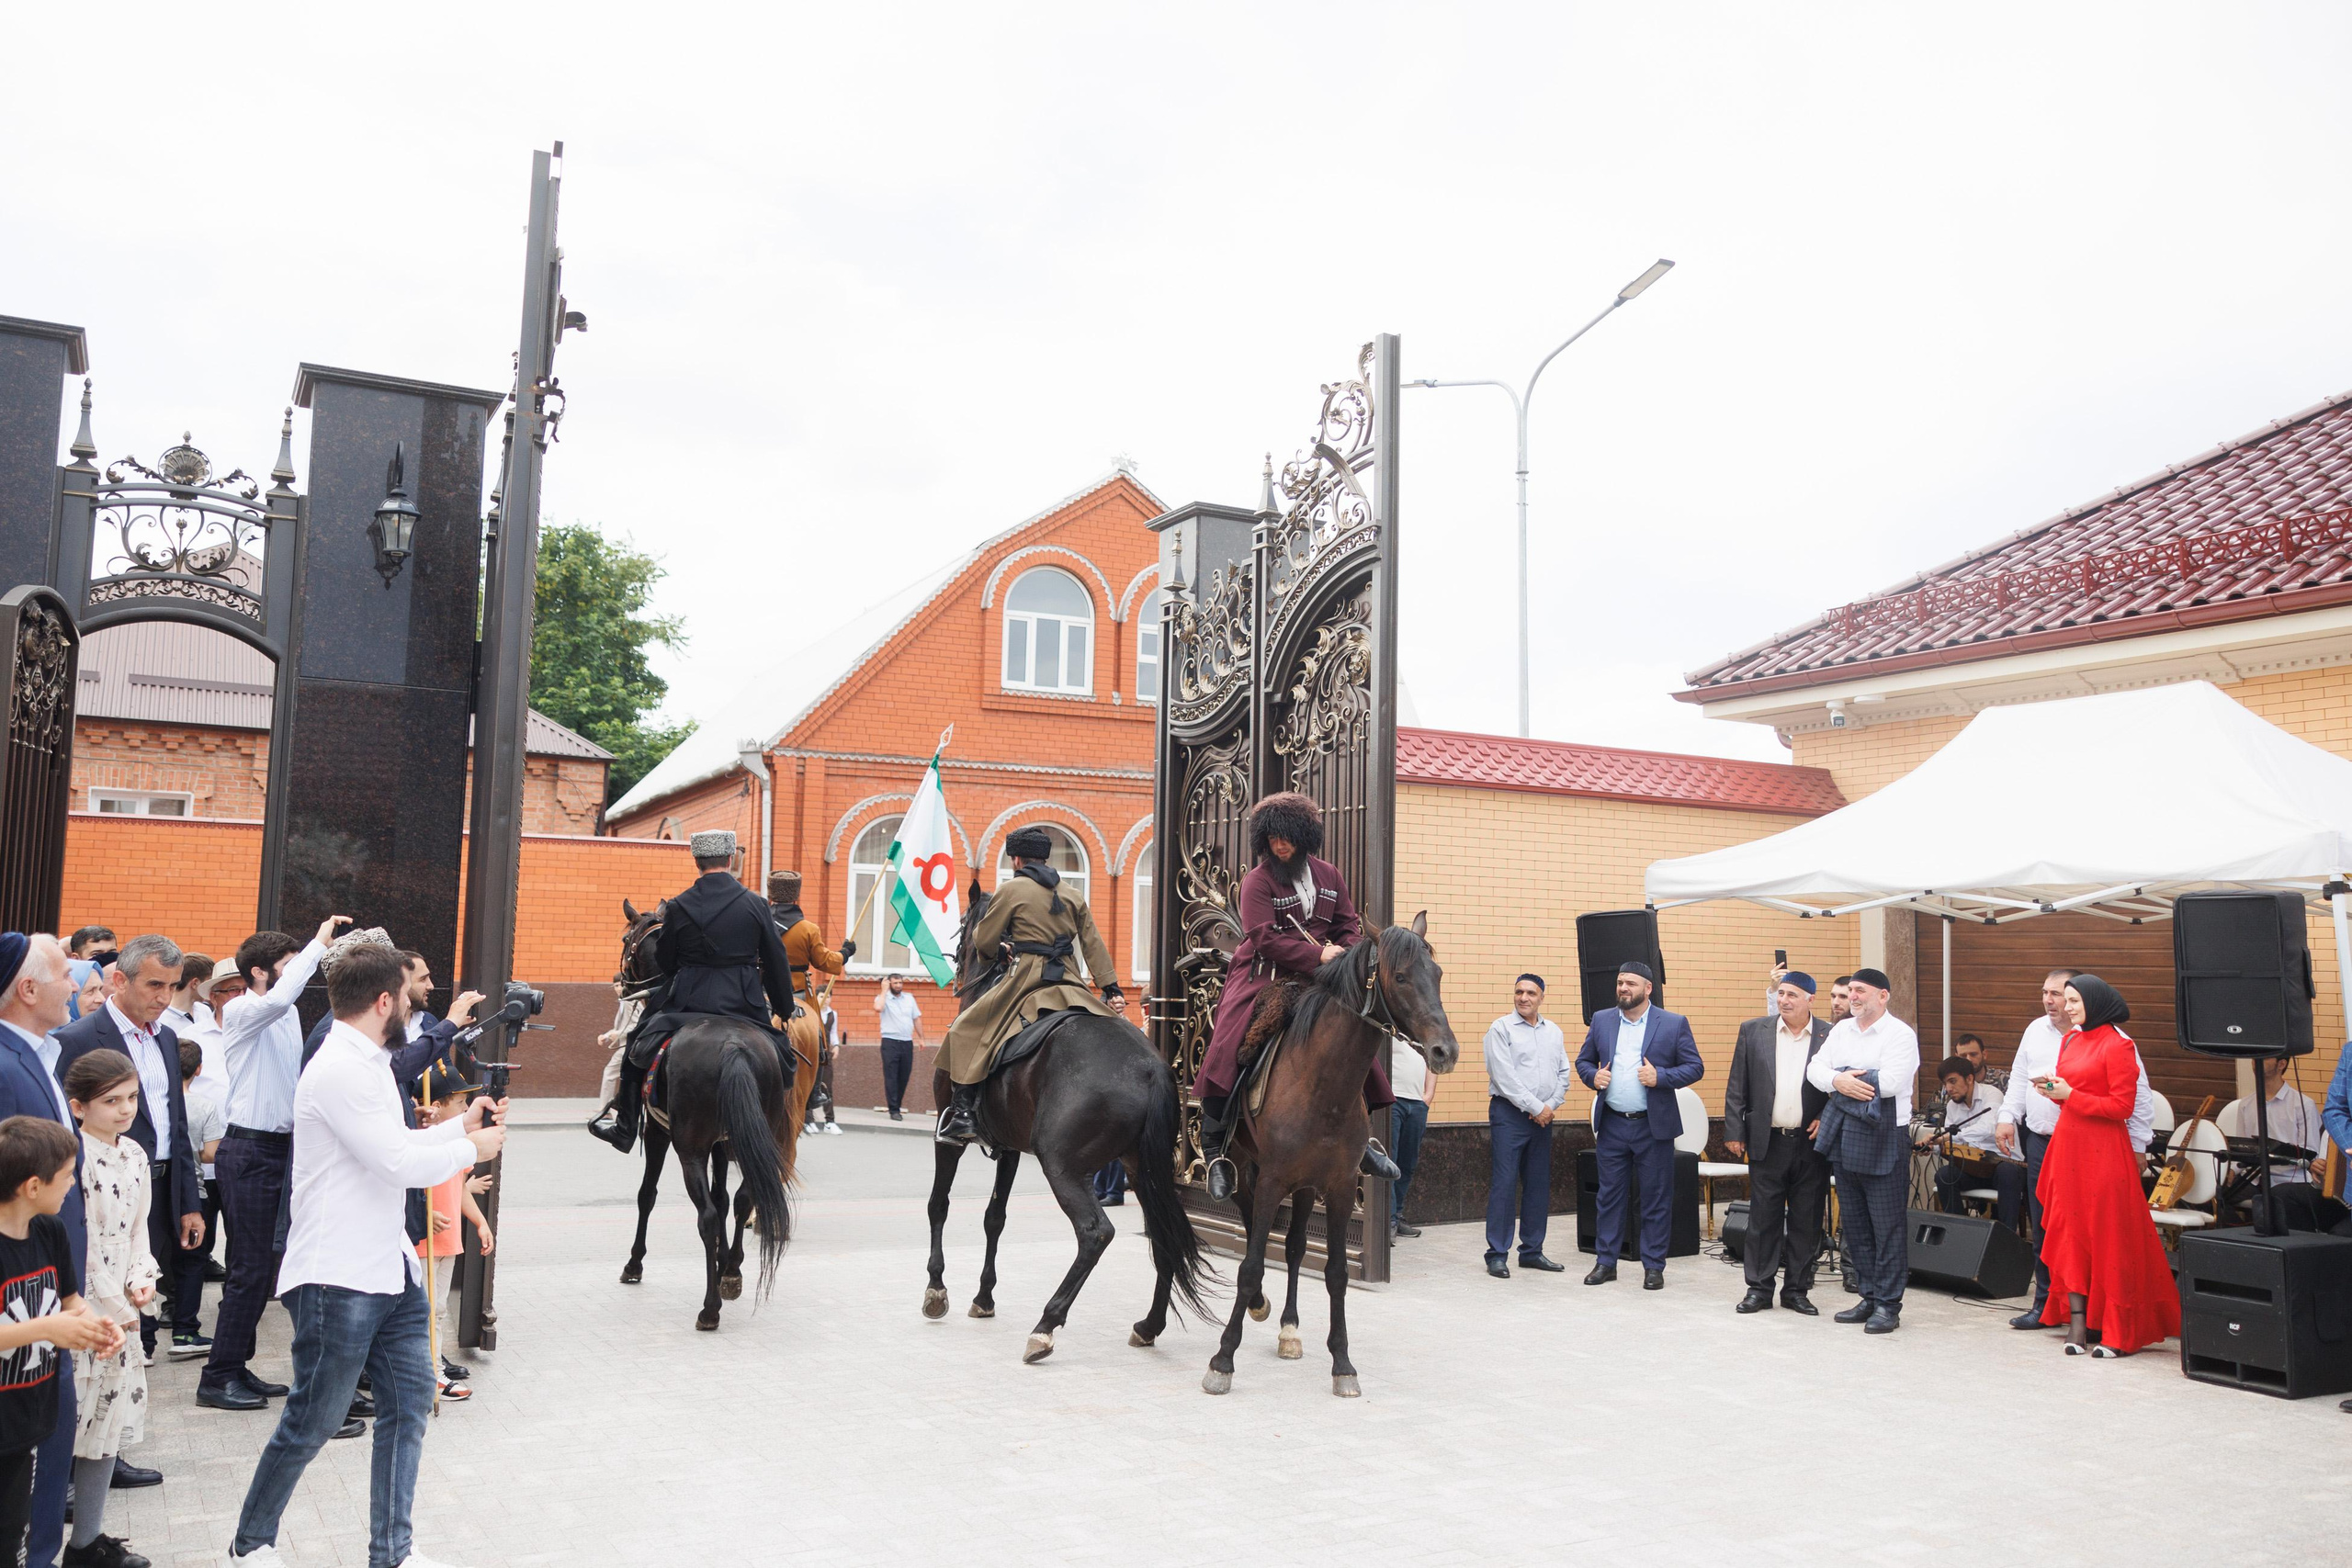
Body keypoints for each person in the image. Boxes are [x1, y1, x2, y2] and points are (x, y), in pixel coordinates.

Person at [222, 943, 505, 1568]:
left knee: (409, 1406)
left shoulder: (369, 1060)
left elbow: (393, 1141)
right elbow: (396, 1162)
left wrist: (459, 1126)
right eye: (406, 997)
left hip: (387, 1268)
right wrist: (472, 1150)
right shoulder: (340, 1068)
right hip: (338, 1275)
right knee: (314, 1419)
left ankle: (393, 1553)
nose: (412, 1008)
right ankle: (250, 1545)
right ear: (384, 1001)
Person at [1194, 794, 1397, 1201]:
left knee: (1352, 1036)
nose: (1279, 844)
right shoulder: (1257, 880)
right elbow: (1263, 938)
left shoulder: (1329, 875)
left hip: (1321, 979)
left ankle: (1363, 1141)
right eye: (1271, 837)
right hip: (1262, 975)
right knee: (1230, 1044)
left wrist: (1346, 954)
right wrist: (1316, 954)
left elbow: (1347, 926)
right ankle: (1216, 1152)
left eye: (1286, 836)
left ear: (1304, 837)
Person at [201, 915, 345, 1413]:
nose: (297, 973)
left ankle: (235, 1365)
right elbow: (280, 999)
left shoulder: (285, 1012)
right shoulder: (244, 1008)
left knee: (262, 1272)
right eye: (288, 965)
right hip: (249, 1151)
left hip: (281, 1151)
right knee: (250, 1270)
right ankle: (217, 1377)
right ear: (259, 973)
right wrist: (319, 943)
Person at [49, 935, 203, 1371]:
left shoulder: (167, 1037)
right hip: (101, 1191)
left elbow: (175, 1121)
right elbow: (61, 1124)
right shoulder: (76, 1039)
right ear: (120, 980)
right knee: (110, 1293)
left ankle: (134, 1369)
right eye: (154, 984)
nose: (164, 997)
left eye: (172, 986)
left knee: (147, 1287)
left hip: (162, 1184)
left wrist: (188, 1200)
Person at [0, 935, 103, 1568]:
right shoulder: (5, 1063)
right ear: (28, 988)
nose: (79, 984)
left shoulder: (43, 1051)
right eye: (68, 974)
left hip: (48, 1272)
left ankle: (43, 1550)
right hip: (17, 1282)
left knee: (49, 1426)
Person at [597, 830, 798, 1154]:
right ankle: (777, 1126)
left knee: (636, 1044)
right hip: (744, 1005)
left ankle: (625, 1128)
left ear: (696, 861)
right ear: (730, 859)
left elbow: (665, 960)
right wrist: (784, 1007)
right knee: (783, 1059)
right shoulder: (757, 904)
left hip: (688, 1004)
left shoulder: (679, 906)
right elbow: (776, 960)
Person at [936, 825, 1125, 1145]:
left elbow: (983, 940)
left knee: (965, 1029)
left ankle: (964, 1112)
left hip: (1027, 978)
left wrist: (997, 951)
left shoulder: (1011, 890)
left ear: (1016, 860)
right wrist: (1111, 988)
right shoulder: (1072, 893)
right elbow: (1092, 943)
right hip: (1069, 979)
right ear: (1045, 858)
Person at [1997, 967, 2153, 1329]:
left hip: (2094, 1147)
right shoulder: (2037, 1030)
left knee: (2093, 1233)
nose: (2052, 1002)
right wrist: (2008, 1116)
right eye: (2047, 994)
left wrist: (2138, 1144)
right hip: (2045, 1142)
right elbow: (2019, 1075)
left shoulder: (2116, 1041)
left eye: (2062, 996)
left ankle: (2096, 1315)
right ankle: (2046, 1305)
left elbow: (2137, 1097)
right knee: (2048, 1226)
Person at [2032, 975, 2179, 1357]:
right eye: (2065, 1000)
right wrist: (2053, 1091)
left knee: (2109, 1238)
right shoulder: (2071, 1040)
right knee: (2071, 1235)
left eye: (2074, 1001)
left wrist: (2071, 1094)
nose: (2067, 1007)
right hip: (2069, 1147)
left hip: (2104, 1150)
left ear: (2095, 1002)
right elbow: (2069, 1095)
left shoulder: (2119, 1045)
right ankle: (2078, 1325)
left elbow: (2121, 1107)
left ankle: (2119, 1330)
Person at [0, 1115, 119, 1568]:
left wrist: (97, 1326)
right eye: (68, 1175)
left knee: (13, 1535)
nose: (73, 1185)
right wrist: (49, 1329)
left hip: (28, 1418)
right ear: (33, 1186)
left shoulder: (49, 1231)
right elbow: (53, 1322)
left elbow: (71, 1302)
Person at [60, 1049, 159, 1568]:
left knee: (107, 1419)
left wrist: (142, 1277)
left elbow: (141, 1226)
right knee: (71, 1419)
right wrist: (114, 1303)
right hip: (84, 1302)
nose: (125, 1109)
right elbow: (83, 1241)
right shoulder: (72, 1156)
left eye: (132, 1097)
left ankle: (87, 1541)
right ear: (79, 1107)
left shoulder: (136, 1153)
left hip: (124, 1300)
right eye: (111, 1100)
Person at [1575, 961, 1703, 1290]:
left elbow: (1695, 1067)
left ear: (1648, 988)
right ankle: (1606, 1263)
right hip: (1613, 1124)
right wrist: (1593, 1076)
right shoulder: (1602, 1020)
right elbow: (1583, 1061)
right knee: (1608, 1197)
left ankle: (1654, 1266)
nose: (1623, 988)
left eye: (1630, 983)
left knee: (1655, 1198)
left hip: (1653, 1127)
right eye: (1620, 982)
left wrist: (1661, 1077)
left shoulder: (1673, 1023)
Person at [1807, 966, 1917, 1334]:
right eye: (1850, 990)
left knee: (1887, 1227)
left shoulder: (1900, 1034)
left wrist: (1840, 1082)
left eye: (1860, 991)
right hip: (1846, 1135)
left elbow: (1890, 1083)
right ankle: (1868, 1296)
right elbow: (1815, 1069)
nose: (1852, 997)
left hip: (1886, 1135)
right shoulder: (1841, 1030)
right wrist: (1838, 1079)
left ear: (1883, 996)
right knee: (1855, 1226)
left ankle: (1888, 1305)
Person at [1724, 970, 1831, 1314]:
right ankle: (1758, 1288)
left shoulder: (1830, 1035)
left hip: (1810, 1143)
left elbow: (1839, 1086)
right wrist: (1734, 1131)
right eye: (1781, 993)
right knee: (1763, 1218)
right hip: (1767, 1140)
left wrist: (1826, 1117)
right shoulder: (1754, 1030)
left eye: (1792, 995)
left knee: (1806, 1220)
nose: (1784, 1000)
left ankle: (1797, 1290)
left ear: (1810, 999)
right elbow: (1737, 1085)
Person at [411, 1069, 493, 1404]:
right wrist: (421, 1212)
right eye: (459, 1103)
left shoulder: (457, 1144)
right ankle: (427, 1377)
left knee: (438, 1310)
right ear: (436, 1106)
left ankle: (431, 1372)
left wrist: (480, 1222)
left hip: (448, 1241)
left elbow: (459, 1187)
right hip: (422, 1242)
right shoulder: (415, 1142)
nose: (466, 1109)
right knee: (423, 1311)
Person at [1482, 975, 1567, 1277]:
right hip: (1509, 1115)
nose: (1523, 997)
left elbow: (1564, 1074)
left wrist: (1549, 1106)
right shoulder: (1500, 1028)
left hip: (1542, 1117)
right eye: (1519, 991)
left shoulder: (1553, 1031)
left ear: (1541, 997)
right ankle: (1497, 1254)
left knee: (1538, 1185)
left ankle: (1532, 1251)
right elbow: (1504, 1076)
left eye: (1531, 993)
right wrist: (1536, 1107)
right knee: (1504, 1184)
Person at [169, 1039, 224, 1361]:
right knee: (192, 1262)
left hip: (158, 1189)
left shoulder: (154, 1102)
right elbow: (211, 1153)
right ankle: (185, 1331)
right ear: (198, 1069)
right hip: (195, 1191)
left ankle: (144, 1336)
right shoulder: (204, 1106)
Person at [1929, 1055, 2025, 1227]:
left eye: (1953, 1081)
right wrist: (1934, 1147)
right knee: (1944, 1175)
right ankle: (1959, 1231)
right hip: (1976, 1168)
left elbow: (1988, 1128)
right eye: (1945, 1083)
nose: (1948, 1088)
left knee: (2007, 1172)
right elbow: (1954, 1145)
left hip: (2004, 1164)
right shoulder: (1952, 1106)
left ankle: (2005, 1236)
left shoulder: (1992, 1094)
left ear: (1969, 1078)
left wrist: (1949, 1136)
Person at [768, 869, 853, 1019]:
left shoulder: (757, 924)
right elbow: (824, 961)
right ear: (796, 897)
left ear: (770, 895)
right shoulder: (808, 929)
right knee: (816, 1029)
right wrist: (845, 953)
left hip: (761, 987)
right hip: (797, 990)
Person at [1388, 1027, 1430, 1241]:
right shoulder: (1389, 1028)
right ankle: (1388, 1221)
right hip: (1392, 1101)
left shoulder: (1423, 1031)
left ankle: (1397, 1215)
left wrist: (1428, 1096)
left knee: (1407, 1164)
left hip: (1417, 1104)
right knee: (1390, 1162)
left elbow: (1433, 1062)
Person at [873, 976, 923, 1122]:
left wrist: (921, 1038)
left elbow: (916, 1018)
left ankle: (897, 1105)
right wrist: (884, 990)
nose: (898, 985)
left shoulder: (909, 998)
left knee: (904, 1076)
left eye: (900, 982)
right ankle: (894, 1110)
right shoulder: (882, 998)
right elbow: (878, 1008)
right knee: (891, 1076)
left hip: (907, 1042)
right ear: (889, 984)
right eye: (895, 983)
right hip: (890, 1042)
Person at [159, 954, 214, 1043]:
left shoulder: (205, 1010)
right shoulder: (161, 1018)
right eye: (208, 982)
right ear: (195, 983)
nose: (212, 988)